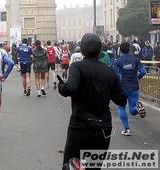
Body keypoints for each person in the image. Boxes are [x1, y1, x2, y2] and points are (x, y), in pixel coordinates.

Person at [58, 33, 127, 170]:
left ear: (82, 49)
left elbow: (70, 88)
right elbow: (121, 99)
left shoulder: (78, 67)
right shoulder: (109, 71)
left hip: (80, 125)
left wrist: (61, 87)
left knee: (69, 164)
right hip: (102, 127)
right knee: (94, 166)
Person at [113, 41, 147, 136]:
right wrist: (137, 78)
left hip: (122, 87)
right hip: (134, 87)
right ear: (129, 49)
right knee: (132, 110)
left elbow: (115, 74)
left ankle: (126, 129)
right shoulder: (135, 60)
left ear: (120, 50)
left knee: (121, 107)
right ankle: (138, 109)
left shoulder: (118, 61)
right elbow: (143, 71)